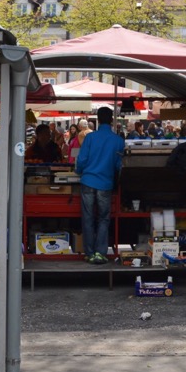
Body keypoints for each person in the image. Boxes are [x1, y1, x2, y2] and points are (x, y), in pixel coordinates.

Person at [74, 105, 125, 264]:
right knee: (103, 218)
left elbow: (81, 160)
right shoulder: (118, 140)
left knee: (88, 218)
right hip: (106, 183)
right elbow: (119, 165)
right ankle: (100, 253)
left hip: (88, 181)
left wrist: (79, 171)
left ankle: (89, 253)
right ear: (111, 120)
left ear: (97, 120)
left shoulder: (90, 138)